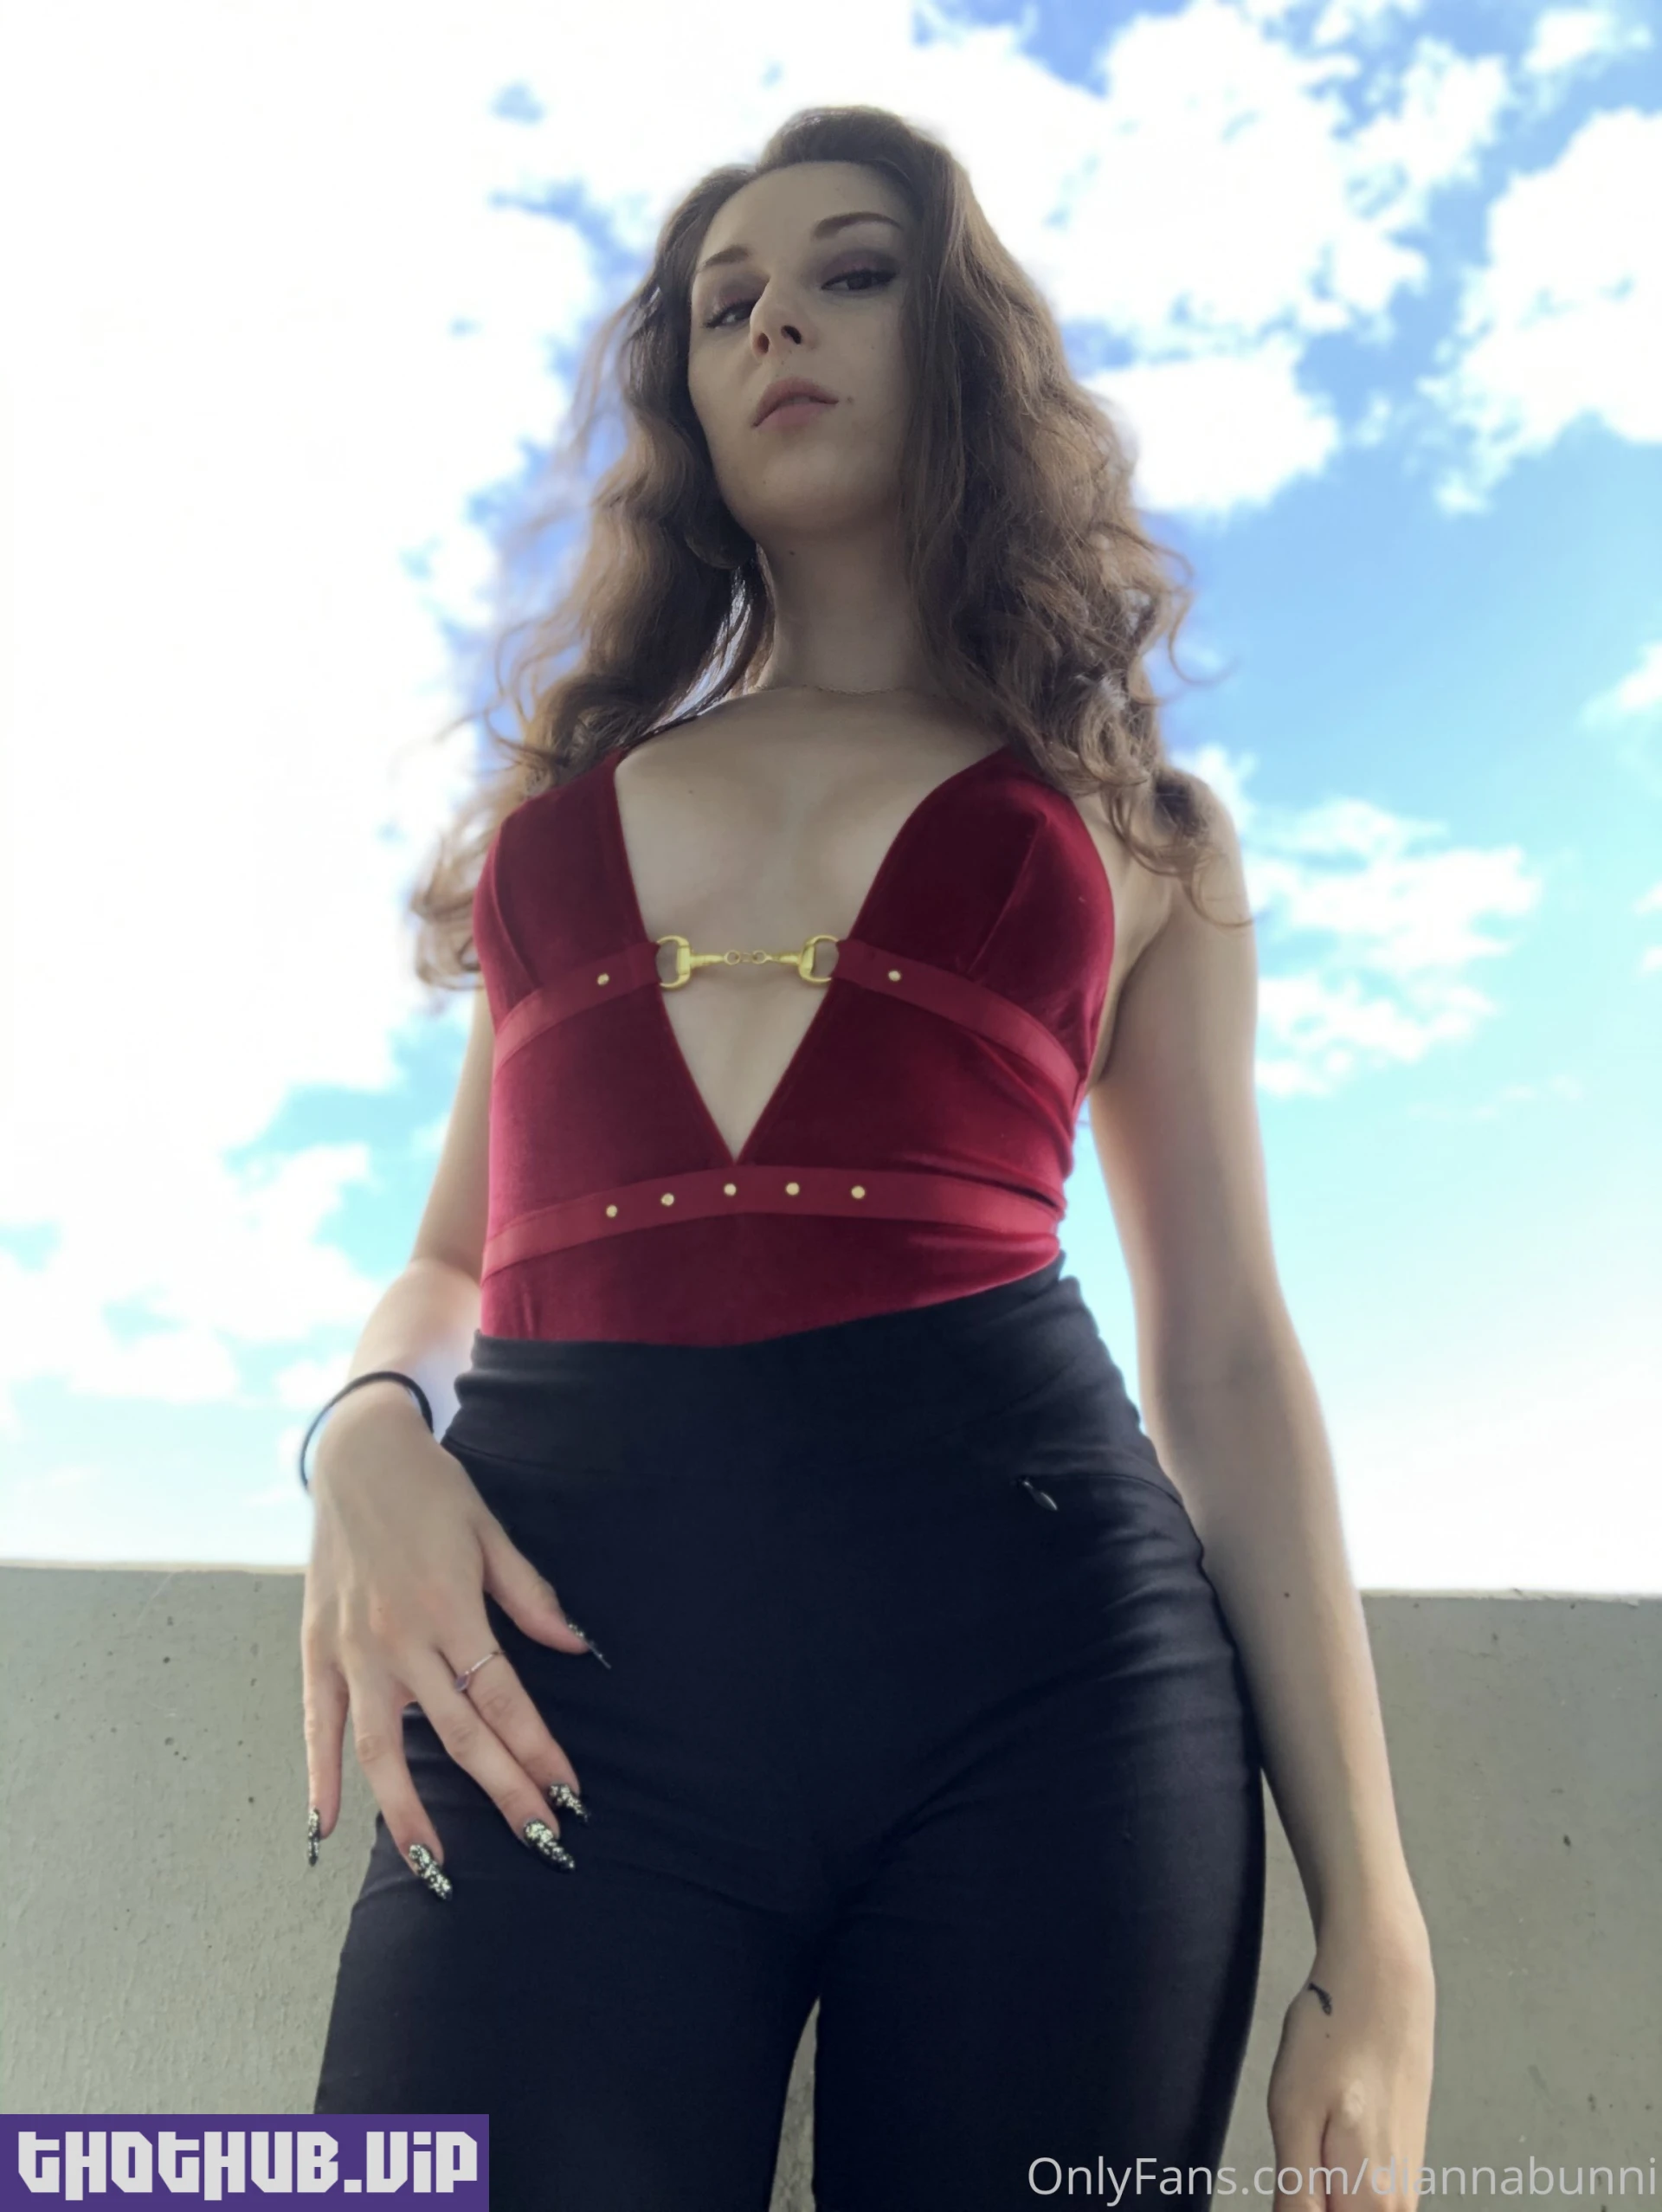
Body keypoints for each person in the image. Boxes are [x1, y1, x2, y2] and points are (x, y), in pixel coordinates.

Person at [302, 106, 1435, 2212]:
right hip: (557, 1691)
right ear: (687, 398)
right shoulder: (556, 829)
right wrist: (364, 1431)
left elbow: (1222, 1355)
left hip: (1056, 1692)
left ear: (960, 340)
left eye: (851, 272)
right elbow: (453, 1259)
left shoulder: (1146, 834)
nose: (776, 325)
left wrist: (1376, 1925)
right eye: (725, 303)